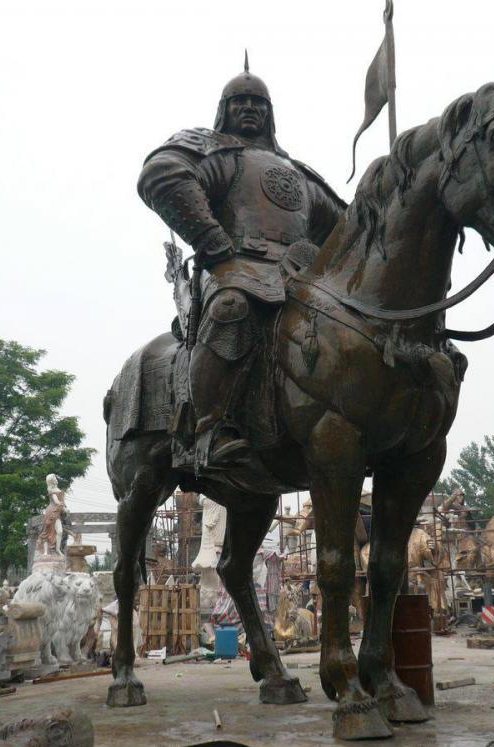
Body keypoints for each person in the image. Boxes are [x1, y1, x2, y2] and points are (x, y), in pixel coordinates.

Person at [137, 54, 346, 467]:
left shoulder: (299, 173)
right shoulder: (209, 149)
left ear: (270, 113)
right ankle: (210, 429)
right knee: (233, 307)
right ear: (225, 109)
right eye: (240, 102)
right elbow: (162, 174)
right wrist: (212, 241)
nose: (250, 108)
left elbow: (349, 226)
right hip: (232, 264)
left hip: (300, 274)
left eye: (259, 103)